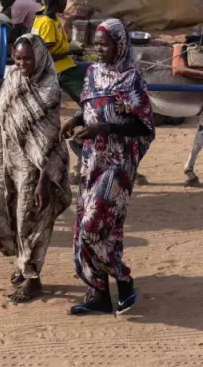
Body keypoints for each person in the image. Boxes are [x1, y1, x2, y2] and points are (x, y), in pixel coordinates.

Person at [63, 19, 154, 316]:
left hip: (118, 163)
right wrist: (76, 119)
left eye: (106, 44)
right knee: (105, 229)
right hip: (92, 161)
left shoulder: (132, 79)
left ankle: (124, 280)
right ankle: (99, 295)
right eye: (97, 44)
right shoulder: (92, 73)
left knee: (92, 227)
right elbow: (89, 106)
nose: (99, 49)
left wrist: (104, 128)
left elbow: (144, 125)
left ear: (120, 45)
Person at [0, 34, 72, 304]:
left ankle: (33, 278)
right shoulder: (13, 78)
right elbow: (4, 115)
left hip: (35, 167)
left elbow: (50, 139)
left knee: (29, 221)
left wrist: (44, 181)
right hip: (8, 159)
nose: (21, 64)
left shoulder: (48, 89)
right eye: (17, 58)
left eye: (27, 59)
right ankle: (22, 264)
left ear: (39, 58)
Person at [32, 0, 84, 102]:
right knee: (84, 93)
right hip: (58, 69)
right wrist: (71, 51)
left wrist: (75, 45)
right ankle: (87, 107)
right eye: (65, 1)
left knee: (90, 69)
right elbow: (46, 57)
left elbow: (59, 41)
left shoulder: (47, 15)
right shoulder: (48, 24)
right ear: (61, 2)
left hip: (64, 64)